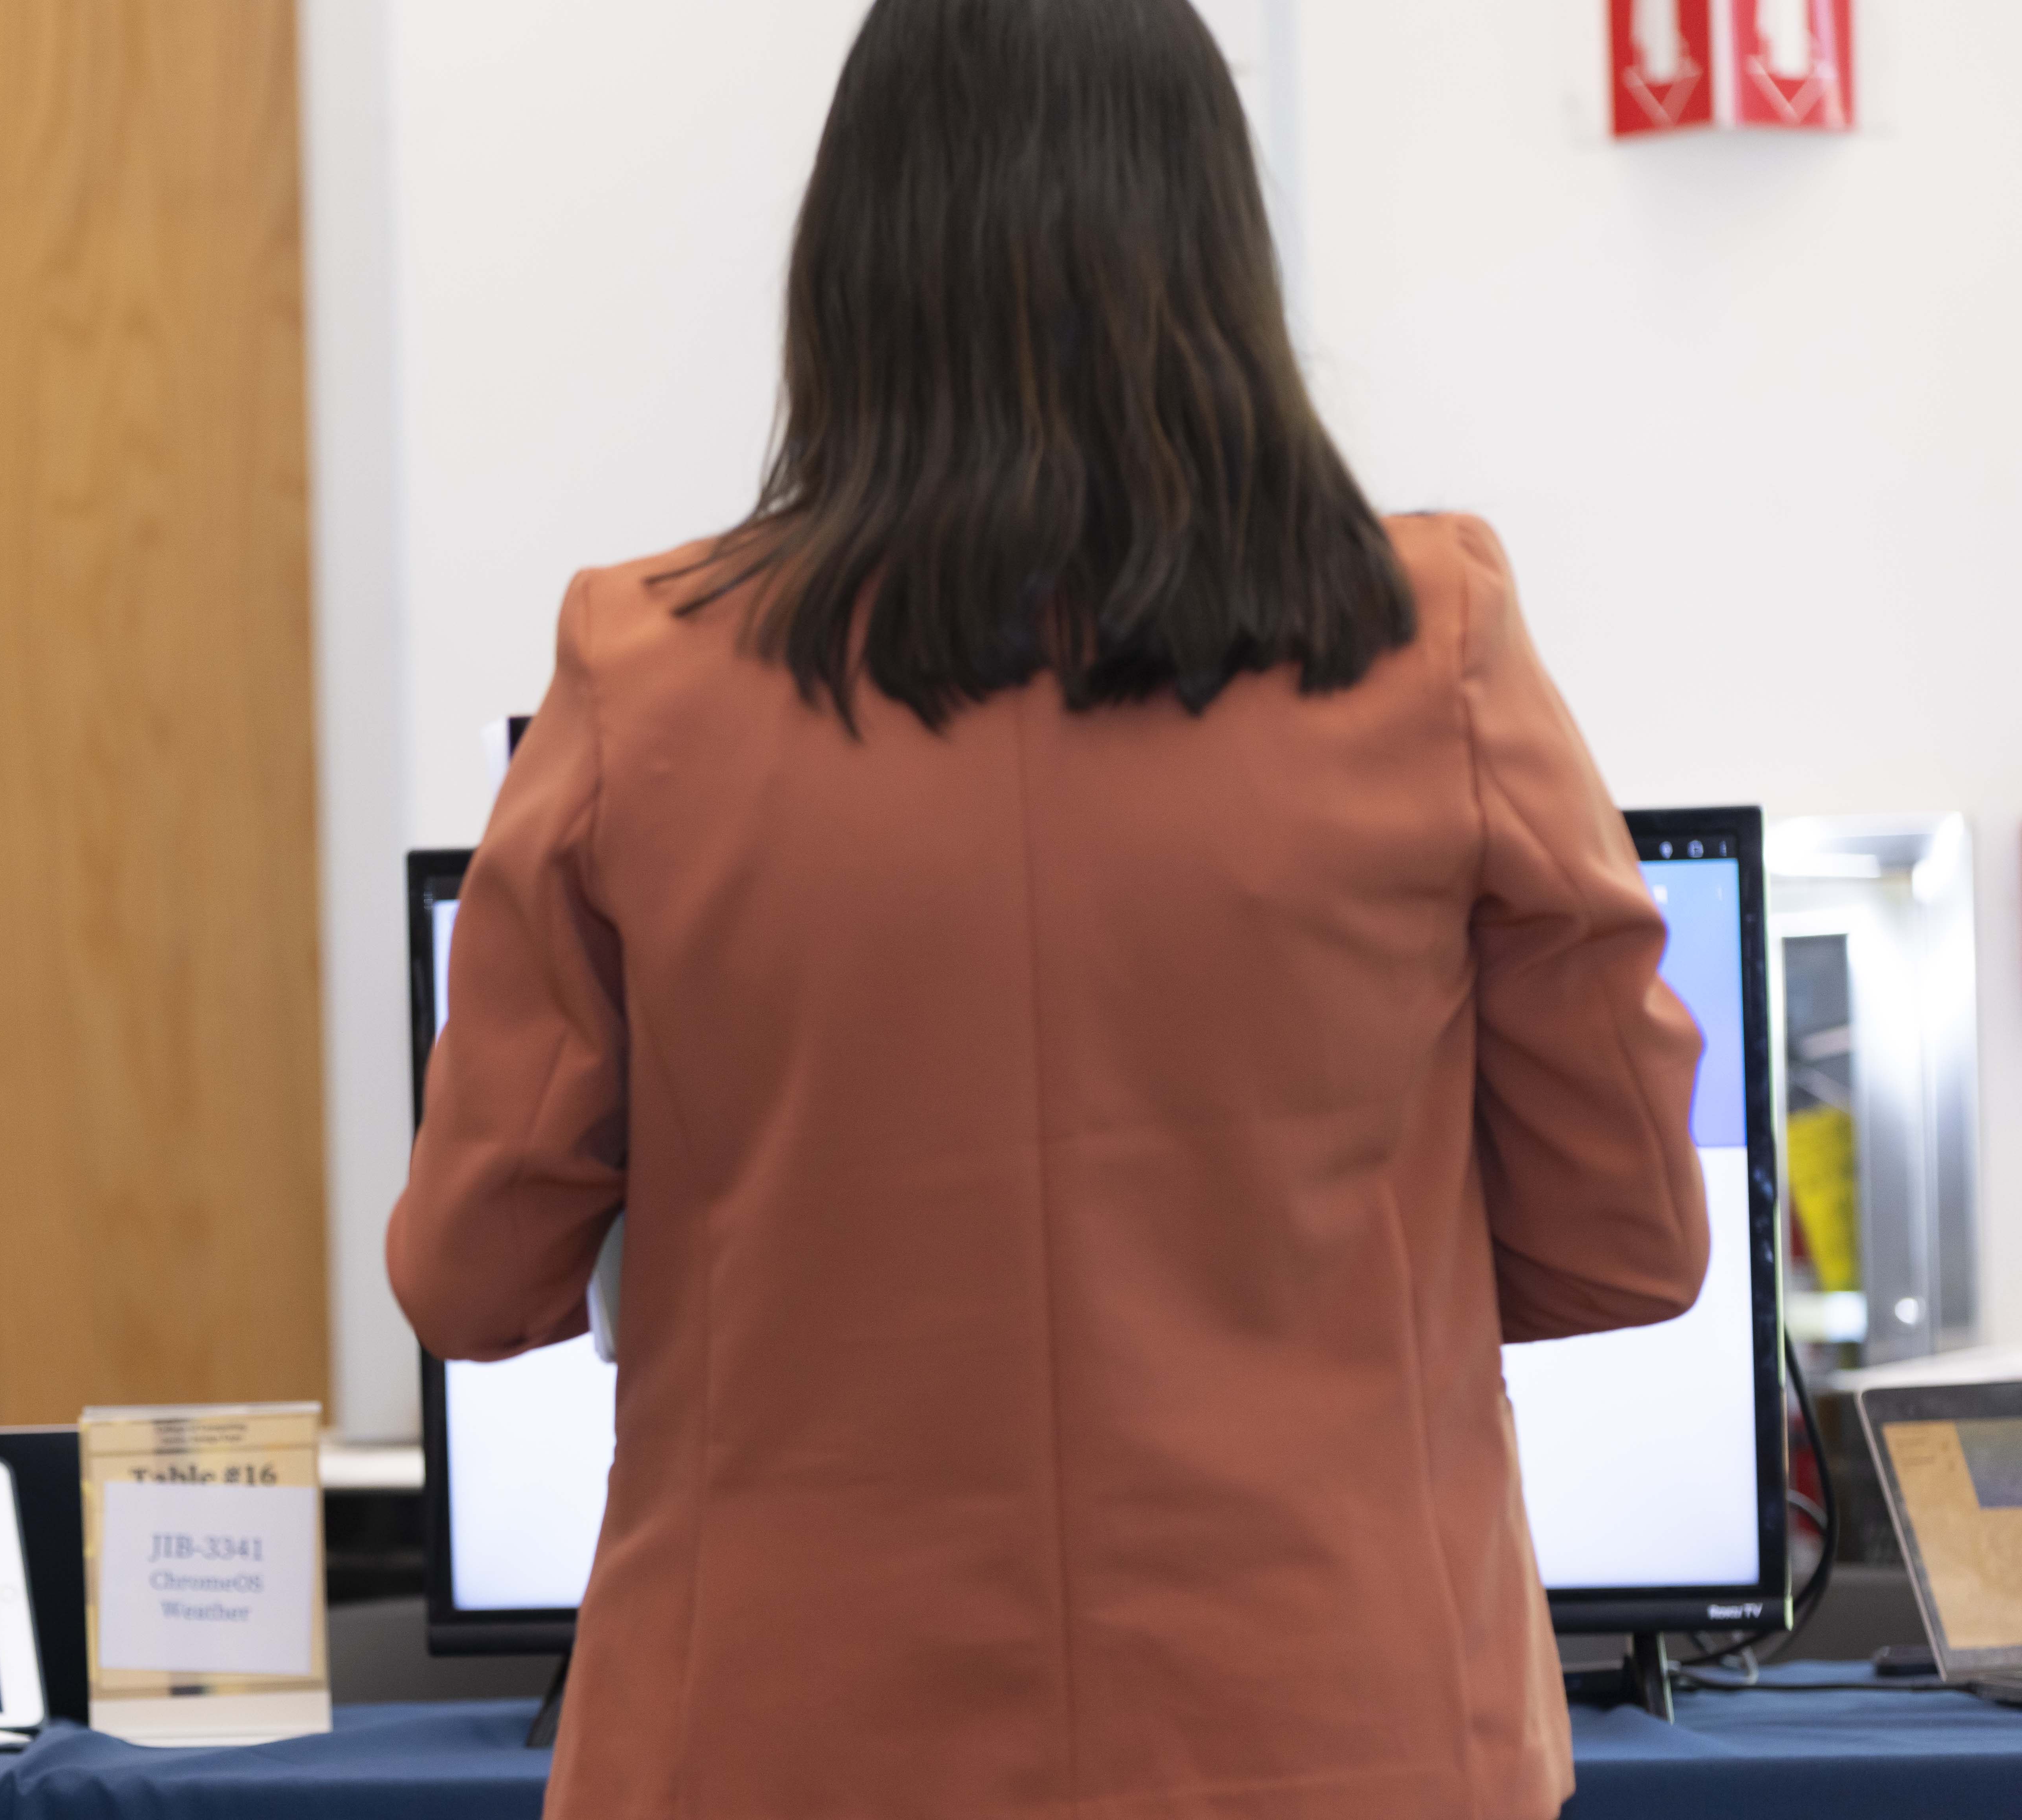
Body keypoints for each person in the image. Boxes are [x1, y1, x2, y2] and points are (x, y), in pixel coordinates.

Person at [385, 4, 1710, 1818]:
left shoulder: (644, 675)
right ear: (1214, 247)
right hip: (1342, 1736)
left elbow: (469, 1279)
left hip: (774, 1744)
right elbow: (1626, 1243)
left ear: (853, 261)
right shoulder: (1430, 642)